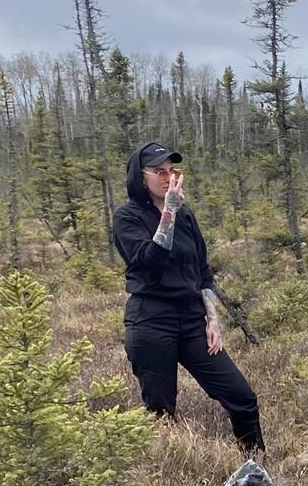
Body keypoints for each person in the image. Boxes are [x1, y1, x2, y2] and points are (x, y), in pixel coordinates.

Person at [113, 142, 264, 453]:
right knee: (161, 414)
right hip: (151, 322)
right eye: (159, 172)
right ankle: (165, 484)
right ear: (141, 178)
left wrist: (213, 319)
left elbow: (202, 271)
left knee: (242, 397)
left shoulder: (186, 215)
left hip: (192, 319)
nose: (168, 178)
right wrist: (168, 210)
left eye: (172, 171)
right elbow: (149, 259)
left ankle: (255, 466)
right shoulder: (127, 217)